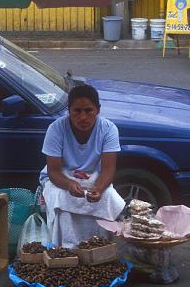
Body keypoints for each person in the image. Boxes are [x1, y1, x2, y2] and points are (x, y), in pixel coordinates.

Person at [39, 84, 125, 247]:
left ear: (98, 110)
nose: (83, 117)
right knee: (61, 198)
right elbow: (54, 171)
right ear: (68, 111)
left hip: (94, 177)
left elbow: (108, 169)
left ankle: (100, 247)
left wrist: (99, 189)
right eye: (77, 111)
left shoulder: (108, 129)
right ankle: (66, 249)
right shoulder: (56, 129)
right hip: (60, 179)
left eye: (88, 110)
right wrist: (69, 183)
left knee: (108, 196)